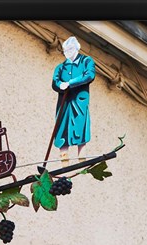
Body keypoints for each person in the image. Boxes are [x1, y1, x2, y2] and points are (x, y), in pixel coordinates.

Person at [52, 36, 96, 166]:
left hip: (79, 100)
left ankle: (81, 156)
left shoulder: (86, 61)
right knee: (62, 126)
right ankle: (64, 158)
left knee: (80, 125)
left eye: (70, 49)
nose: (67, 52)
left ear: (76, 48)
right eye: (65, 50)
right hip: (64, 102)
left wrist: (70, 83)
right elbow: (55, 81)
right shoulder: (61, 67)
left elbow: (89, 75)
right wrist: (60, 85)